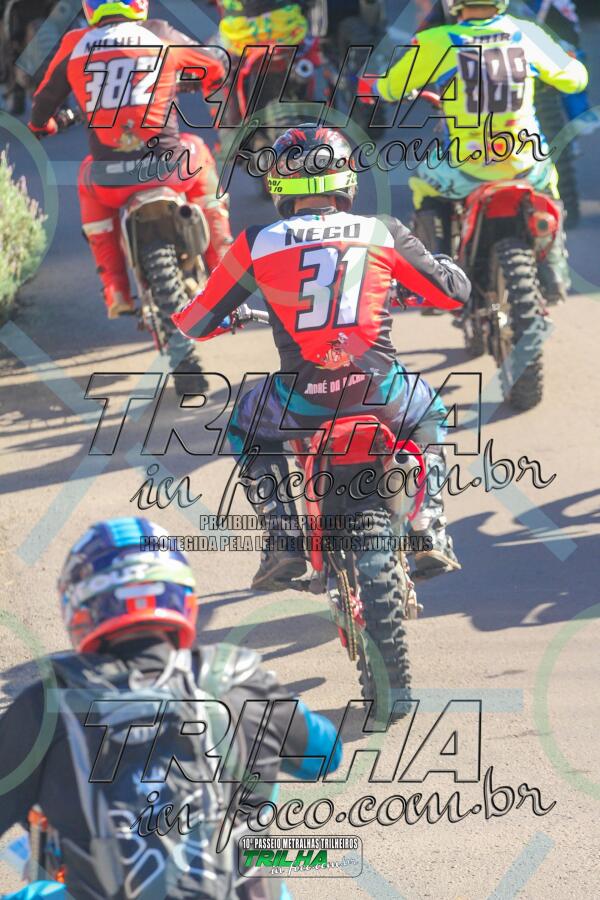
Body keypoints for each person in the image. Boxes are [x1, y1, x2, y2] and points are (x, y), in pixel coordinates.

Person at [173, 124, 471, 590]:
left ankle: (284, 539)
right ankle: (428, 521)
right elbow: (452, 293)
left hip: (303, 402)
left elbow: (194, 323)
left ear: (279, 183)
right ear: (345, 177)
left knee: (244, 425)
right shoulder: (381, 231)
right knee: (429, 409)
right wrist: (447, 268)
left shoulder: (258, 242)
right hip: (381, 394)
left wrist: (217, 318)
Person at [0, 517, 342, 899]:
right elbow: (326, 755)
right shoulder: (241, 682)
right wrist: (273, 707)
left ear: (79, 607)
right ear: (182, 598)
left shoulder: (45, 707)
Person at [359, 0, 589, 303]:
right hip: (525, 163)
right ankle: (554, 265)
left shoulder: (436, 40)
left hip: (465, 169)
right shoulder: (528, 33)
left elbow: (390, 88)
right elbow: (576, 80)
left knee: (423, 183)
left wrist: (374, 88)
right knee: (549, 184)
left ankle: (436, 278)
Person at [28, 1, 234, 321]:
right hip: (170, 169)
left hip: (110, 179)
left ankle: (116, 290)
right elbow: (215, 66)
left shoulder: (76, 44)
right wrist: (196, 81)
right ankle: (224, 275)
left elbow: (42, 104)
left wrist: (43, 125)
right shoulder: (160, 33)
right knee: (199, 152)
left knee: (86, 178)